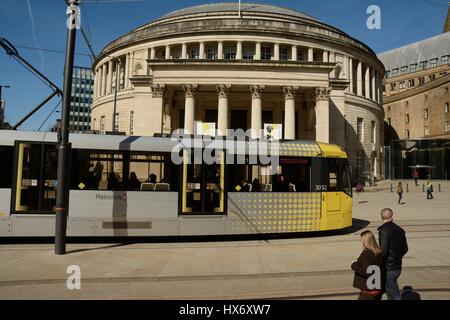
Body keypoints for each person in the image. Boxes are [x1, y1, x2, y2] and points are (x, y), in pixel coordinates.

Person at [378, 208, 409, 300]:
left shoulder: (384, 230)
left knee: (395, 294)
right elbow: (405, 249)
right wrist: (397, 257)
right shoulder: (400, 230)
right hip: (397, 266)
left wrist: (379, 263)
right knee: (389, 290)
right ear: (392, 216)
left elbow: (383, 251)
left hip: (389, 268)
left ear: (381, 217)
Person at [351, 231, 385, 300]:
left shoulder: (366, 254)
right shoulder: (379, 252)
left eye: (362, 240)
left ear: (365, 241)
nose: (361, 242)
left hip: (369, 290)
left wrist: (354, 265)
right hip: (378, 287)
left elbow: (367, 272)